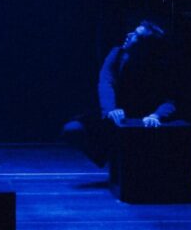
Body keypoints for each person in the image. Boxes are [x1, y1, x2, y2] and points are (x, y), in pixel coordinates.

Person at [62, 21, 177, 166]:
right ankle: (111, 159)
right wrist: (110, 110)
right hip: (115, 117)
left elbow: (170, 99)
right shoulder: (117, 54)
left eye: (136, 35)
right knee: (73, 130)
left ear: (146, 46)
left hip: (141, 120)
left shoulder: (159, 68)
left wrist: (156, 115)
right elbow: (106, 82)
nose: (129, 35)